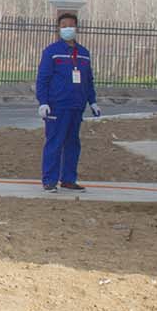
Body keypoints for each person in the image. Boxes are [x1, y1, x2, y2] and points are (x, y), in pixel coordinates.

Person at [34, 10, 102, 191]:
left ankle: (68, 179)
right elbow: (43, 79)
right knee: (55, 143)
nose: (68, 29)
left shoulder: (84, 54)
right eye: (64, 26)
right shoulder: (52, 52)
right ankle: (49, 180)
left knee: (73, 143)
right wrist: (43, 102)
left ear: (76, 28)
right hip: (57, 106)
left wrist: (92, 101)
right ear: (58, 29)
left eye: (71, 25)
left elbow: (88, 80)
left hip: (76, 106)